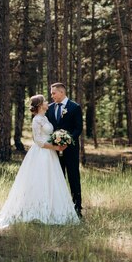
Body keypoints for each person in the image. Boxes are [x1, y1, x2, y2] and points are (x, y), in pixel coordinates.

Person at [0, 95, 79, 229]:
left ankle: (52, 209)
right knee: (40, 180)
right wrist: (56, 147)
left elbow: (50, 134)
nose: (47, 102)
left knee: (51, 180)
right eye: (44, 101)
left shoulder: (45, 117)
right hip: (41, 154)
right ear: (39, 105)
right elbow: (38, 141)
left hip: (50, 154)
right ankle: (36, 210)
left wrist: (59, 139)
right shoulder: (37, 120)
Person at [46, 82, 83, 218]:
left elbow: (78, 128)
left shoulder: (74, 107)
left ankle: (77, 208)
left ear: (62, 92)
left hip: (71, 150)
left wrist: (68, 140)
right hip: (54, 151)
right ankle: (58, 209)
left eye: (53, 93)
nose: (52, 95)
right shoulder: (49, 108)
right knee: (57, 178)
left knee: (73, 177)